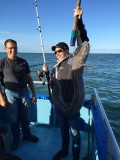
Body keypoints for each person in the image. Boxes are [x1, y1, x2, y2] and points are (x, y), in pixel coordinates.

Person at [42, 7, 90, 160]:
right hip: (59, 106)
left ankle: (75, 156)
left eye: (59, 51)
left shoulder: (73, 61)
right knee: (63, 130)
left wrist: (80, 21)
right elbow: (54, 84)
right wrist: (48, 73)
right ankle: (64, 150)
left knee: (75, 133)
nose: (57, 54)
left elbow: (84, 45)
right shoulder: (57, 66)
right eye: (55, 52)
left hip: (71, 105)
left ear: (66, 50)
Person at [0, 39, 39, 150]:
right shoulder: (2, 63)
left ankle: (26, 134)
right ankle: (16, 138)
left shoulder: (23, 62)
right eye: (10, 48)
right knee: (14, 118)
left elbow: (29, 79)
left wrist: (34, 94)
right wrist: (1, 99)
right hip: (9, 93)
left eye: (15, 48)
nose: (13, 50)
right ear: (5, 49)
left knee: (26, 115)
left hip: (24, 92)